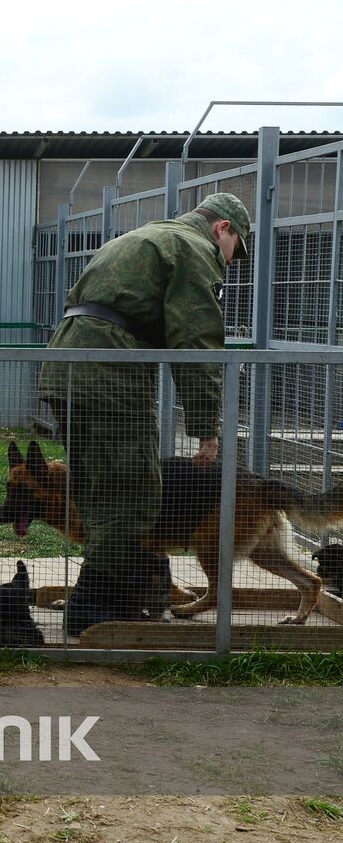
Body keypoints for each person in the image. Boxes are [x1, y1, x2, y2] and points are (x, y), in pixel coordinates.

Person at [37, 192, 249, 634]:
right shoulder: (194, 250)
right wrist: (207, 428)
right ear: (221, 229)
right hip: (110, 376)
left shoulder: (148, 235)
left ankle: (118, 599)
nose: (232, 261)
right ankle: (95, 609)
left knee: (96, 489)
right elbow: (197, 343)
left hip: (67, 367)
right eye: (236, 249)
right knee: (134, 494)